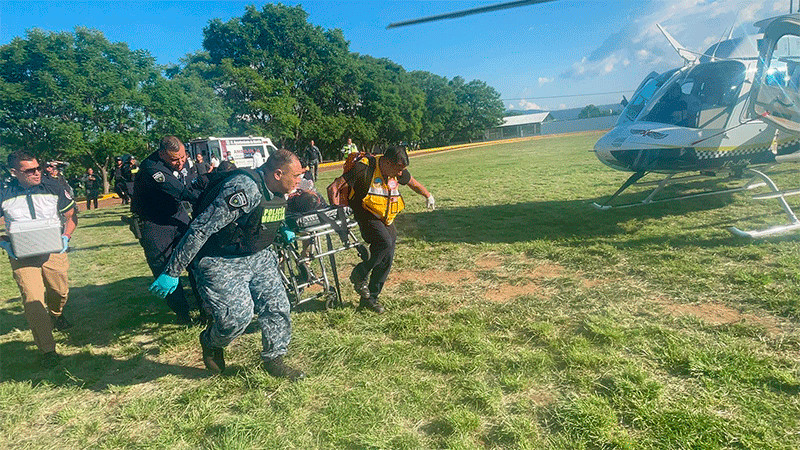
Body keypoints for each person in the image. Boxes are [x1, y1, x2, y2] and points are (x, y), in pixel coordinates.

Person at [149, 149, 306, 380]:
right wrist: (173, 271)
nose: (299, 181)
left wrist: (283, 230)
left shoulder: (279, 187)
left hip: (258, 255)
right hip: (221, 259)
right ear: (278, 173)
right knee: (235, 318)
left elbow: (262, 215)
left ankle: (274, 359)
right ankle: (211, 342)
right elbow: (201, 228)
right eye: (296, 176)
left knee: (277, 307)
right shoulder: (244, 189)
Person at [326, 146, 435, 313]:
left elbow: (412, 183)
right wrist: (338, 217)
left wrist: (428, 195)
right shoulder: (364, 168)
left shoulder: (396, 171)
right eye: (398, 169)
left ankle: (370, 299)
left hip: (384, 215)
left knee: (387, 255)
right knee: (384, 242)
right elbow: (333, 187)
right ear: (387, 163)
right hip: (365, 213)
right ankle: (360, 273)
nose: (400, 174)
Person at [0, 150, 77, 368]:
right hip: (21, 255)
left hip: (53, 250)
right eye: (30, 170)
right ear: (14, 172)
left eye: (38, 168)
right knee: (33, 300)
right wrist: (4, 243)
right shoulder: (4, 192)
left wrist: (66, 237)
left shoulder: (54, 187)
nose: (37, 173)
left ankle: (56, 313)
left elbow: (71, 218)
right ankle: (48, 350)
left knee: (59, 291)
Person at [131, 136, 200, 325]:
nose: (180, 163)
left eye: (183, 157)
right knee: (165, 267)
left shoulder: (185, 162)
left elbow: (194, 182)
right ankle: (182, 313)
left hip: (176, 214)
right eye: (174, 160)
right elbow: (180, 191)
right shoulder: (152, 168)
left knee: (196, 260)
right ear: (162, 154)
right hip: (154, 222)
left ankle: (204, 308)